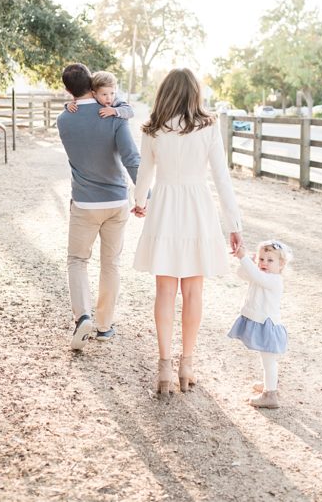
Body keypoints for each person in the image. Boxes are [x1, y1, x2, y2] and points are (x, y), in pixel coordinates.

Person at [130, 67, 243, 397]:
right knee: (193, 292)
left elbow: (145, 173)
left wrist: (140, 201)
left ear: (165, 93)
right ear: (195, 93)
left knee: (164, 291)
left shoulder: (153, 129)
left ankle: (164, 366)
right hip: (197, 208)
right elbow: (222, 179)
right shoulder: (207, 127)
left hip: (165, 207)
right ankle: (186, 365)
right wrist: (234, 226)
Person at [56, 63, 141, 350]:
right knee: (111, 263)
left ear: (68, 90)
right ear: (92, 84)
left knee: (78, 260)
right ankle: (104, 325)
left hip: (85, 203)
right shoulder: (115, 115)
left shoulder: (64, 119)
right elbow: (131, 159)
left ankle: (83, 317)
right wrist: (145, 197)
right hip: (117, 202)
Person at [227, 239, 292, 409]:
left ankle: (270, 395)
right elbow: (242, 274)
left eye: (270, 260)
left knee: (269, 361)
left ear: (281, 264)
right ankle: (269, 385)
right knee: (266, 361)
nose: (264, 263)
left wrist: (244, 258)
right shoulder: (261, 274)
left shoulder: (274, 280)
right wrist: (248, 260)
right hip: (261, 322)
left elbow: (255, 276)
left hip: (268, 326)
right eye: (262, 259)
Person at [65, 70, 134, 119]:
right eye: (104, 94)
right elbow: (79, 102)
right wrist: (68, 105)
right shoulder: (92, 98)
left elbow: (130, 111)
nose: (109, 98)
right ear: (94, 94)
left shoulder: (116, 100)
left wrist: (114, 111)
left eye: (112, 93)